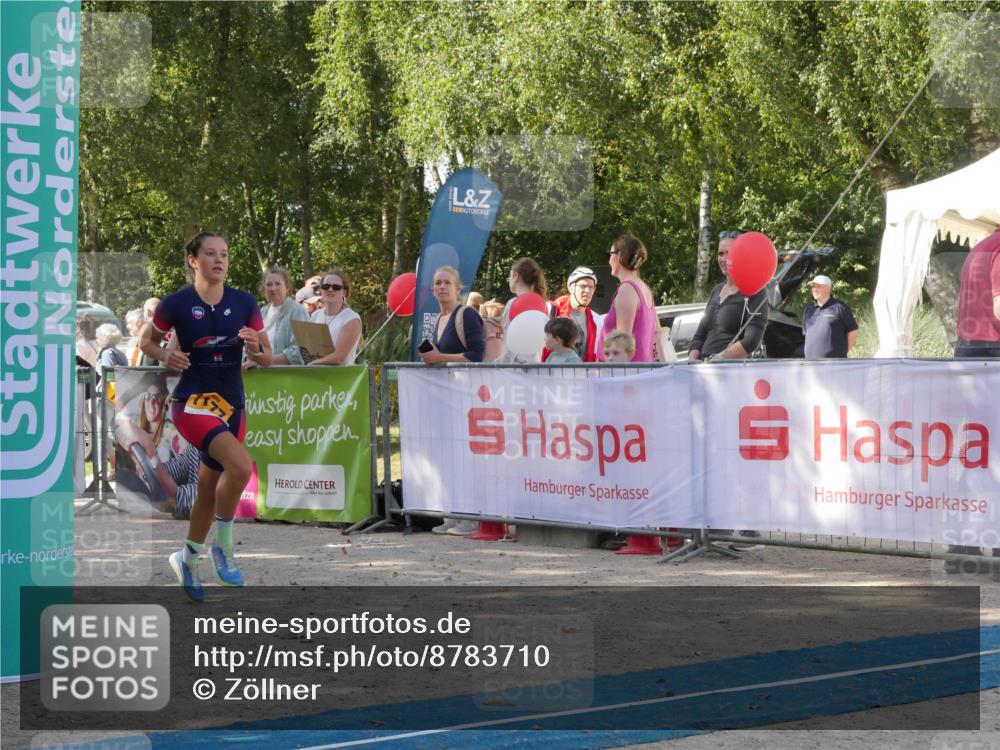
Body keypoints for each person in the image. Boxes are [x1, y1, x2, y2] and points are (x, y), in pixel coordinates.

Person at [139, 231, 271, 603]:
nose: (220, 260)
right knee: (242, 467)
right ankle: (223, 547)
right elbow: (144, 341)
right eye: (211, 254)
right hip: (192, 400)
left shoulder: (244, 302)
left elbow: (267, 354)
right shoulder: (175, 303)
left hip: (232, 403)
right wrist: (166, 356)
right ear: (193, 260)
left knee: (209, 491)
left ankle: (187, 559)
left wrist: (255, 346)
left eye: (225, 254)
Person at [948, 227, 1000, 579]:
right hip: (991, 353)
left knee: (976, 454)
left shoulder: (981, 246)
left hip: (970, 352)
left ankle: (963, 546)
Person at [114, 379, 199, 519]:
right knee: (124, 477)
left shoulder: (215, 447)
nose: (167, 403)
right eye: (148, 397)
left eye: (172, 399)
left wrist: (150, 452)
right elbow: (168, 472)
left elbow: (196, 498)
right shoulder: (195, 447)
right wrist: (141, 456)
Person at [689, 231, 770, 362]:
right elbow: (700, 334)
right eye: (721, 253)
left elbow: (751, 341)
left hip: (732, 371)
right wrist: (692, 358)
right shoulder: (716, 290)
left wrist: (716, 360)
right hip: (703, 372)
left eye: (730, 253)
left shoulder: (756, 291)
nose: (724, 259)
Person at [599, 235, 657, 362]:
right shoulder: (644, 288)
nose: (609, 260)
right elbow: (657, 331)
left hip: (624, 376)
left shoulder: (627, 290)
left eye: (610, 254)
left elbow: (620, 346)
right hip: (640, 372)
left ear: (620, 256)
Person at [419, 266, 485, 365]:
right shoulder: (437, 319)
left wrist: (439, 357)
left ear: (457, 289)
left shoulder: (467, 314)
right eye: (438, 283)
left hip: (467, 380)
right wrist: (430, 358)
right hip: (443, 380)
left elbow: (477, 356)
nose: (442, 286)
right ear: (433, 291)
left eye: (447, 282)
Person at [246, 266, 309, 369]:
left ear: (287, 287)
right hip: (263, 377)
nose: (273, 288)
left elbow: (302, 351)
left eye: (278, 284)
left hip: (287, 378)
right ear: (264, 289)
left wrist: (264, 361)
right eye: (269, 284)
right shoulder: (262, 313)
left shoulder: (298, 311)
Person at [543, 266, 601, 362]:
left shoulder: (596, 320)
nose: (588, 291)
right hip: (553, 373)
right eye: (583, 286)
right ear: (571, 288)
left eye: (591, 287)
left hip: (583, 375)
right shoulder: (552, 311)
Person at [498, 258, 549, 363]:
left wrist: (502, 364)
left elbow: (509, 341)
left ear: (516, 276)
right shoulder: (543, 304)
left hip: (514, 368)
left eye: (510, 276)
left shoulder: (513, 303)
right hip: (535, 366)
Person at [308, 270, 363, 366]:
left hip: (340, 378)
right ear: (321, 290)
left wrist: (312, 364)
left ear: (344, 292)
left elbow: (339, 358)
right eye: (326, 286)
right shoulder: (315, 316)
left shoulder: (351, 319)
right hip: (315, 377)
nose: (330, 289)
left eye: (336, 287)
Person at [802, 275, 859, 358]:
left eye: (818, 286)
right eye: (813, 287)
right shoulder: (809, 308)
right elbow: (806, 334)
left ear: (828, 288)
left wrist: (842, 353)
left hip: (834, 366)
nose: (814, 289)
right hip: (810, 365)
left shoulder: (840, 307)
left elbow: (853, 331)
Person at [94, 323, 128, 394]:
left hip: (108, 395)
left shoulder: (107, 353)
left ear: (104, 337)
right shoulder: (117, 352)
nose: (96, 339)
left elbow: (109, 376)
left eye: (98, 337)